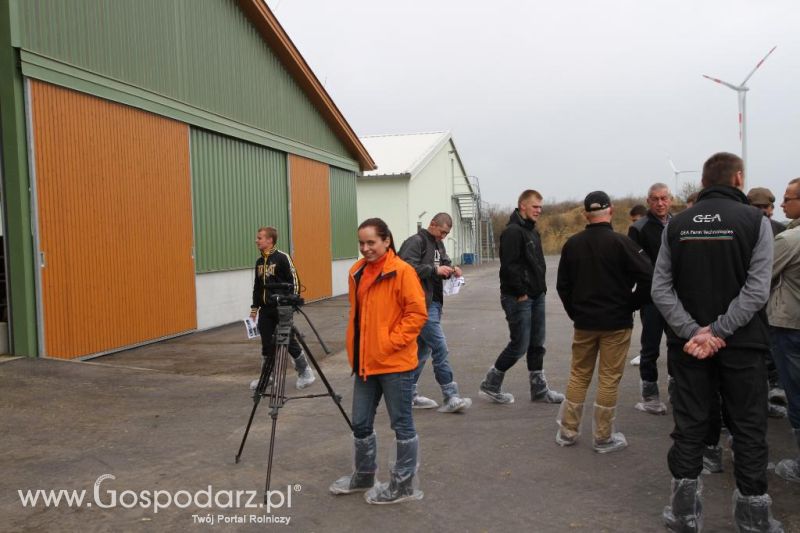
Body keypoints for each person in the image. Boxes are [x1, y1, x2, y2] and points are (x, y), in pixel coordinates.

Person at [652, 152, 782, 532]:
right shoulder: (756, 221)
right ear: (738, 178)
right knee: (748, 425)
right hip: (742, 345)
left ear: (705, 182)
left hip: (688, 347)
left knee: (690, 425)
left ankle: (683, 514)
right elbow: (757, 291)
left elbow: (660, 288)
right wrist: (719, 331)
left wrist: (694, 331)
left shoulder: (675, 225)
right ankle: (754, 517)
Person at [330, 218, 428, 504]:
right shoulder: (357, 272)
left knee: (402, 424)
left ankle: (404, 485)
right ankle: (364, 475)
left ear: (386, 241)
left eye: (371, 242)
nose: (366, 248)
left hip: (395, 365)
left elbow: (417, 314)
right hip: (365, 363)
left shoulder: (402, 272)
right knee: (360, 422)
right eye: (361, 243)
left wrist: (389, 343)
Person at [556, 191, 653, 453]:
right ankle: (603, 436)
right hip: (617, 322)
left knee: (579, 374)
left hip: (585, 322)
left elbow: (562, 286)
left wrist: (575, 312)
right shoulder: (621, 243)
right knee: (609, 378)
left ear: (586, 214)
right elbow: (649, 276)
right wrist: (632, 303)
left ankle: (567, 431)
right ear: (610, 211)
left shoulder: (573, 244)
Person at [479, 189, 564, 404]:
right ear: (523, 206)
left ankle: (539, 390)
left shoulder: (532, 232)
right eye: (535, 207)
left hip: (537, 295)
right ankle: (491, 383)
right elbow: (508, 267)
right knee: (520, 344)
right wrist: (520, 293)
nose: (539, 211)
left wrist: (540, 290)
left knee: (537, 344)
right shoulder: (512, 232)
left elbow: (537, 264)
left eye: (540, 208)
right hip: (519, 297)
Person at [398, 212, 471, 413]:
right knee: (440, 347)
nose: (443, 237)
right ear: (432, 224)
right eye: (442, 232)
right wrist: (434, 271)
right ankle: (451, 396)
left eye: (446, 234)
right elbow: (404, 268)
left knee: (422, 351)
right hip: (419, 305)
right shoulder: (415, 242)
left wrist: (452, 269)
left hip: (434, 303)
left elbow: (443, 263)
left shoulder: (438, 245)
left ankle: (408, 394)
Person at [249, 226, 315, 391]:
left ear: (270, 240)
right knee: (266, 343)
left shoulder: (282, 258)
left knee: (288, 341)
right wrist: (254, 308)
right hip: (265, 310)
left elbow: (295, 281)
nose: (256, 240)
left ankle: (306, 372)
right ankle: (267, 377)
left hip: (282, 308)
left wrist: (291, 304)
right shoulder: (259, 262)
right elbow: (258, 287)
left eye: (260, 238)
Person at [628, 183, 672, 414]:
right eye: (655, 199)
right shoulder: (639, 228)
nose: (660, 203)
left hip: (678, 298)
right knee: (650, 346)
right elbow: (636, 264)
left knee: (678, 345)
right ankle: (650, 394)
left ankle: (677, 388)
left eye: (664, 198)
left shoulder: (680, 224)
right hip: (652, 298)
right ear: (648, 201)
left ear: (670, 200)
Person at [768, 177, 800, 483]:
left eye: (788, 199)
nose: (781, 205)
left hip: (790, 325)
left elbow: (761, 277)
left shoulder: (789, 241)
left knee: (797, 394)